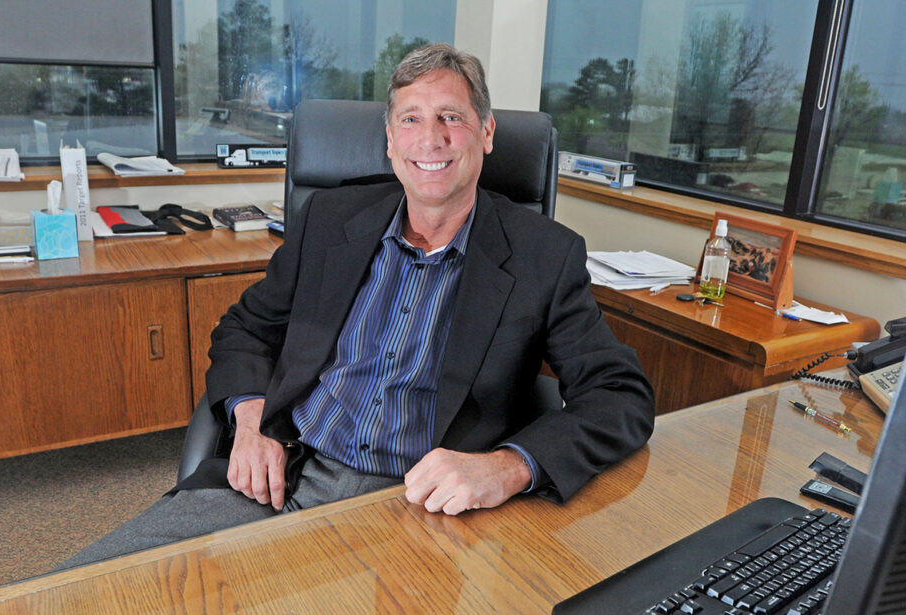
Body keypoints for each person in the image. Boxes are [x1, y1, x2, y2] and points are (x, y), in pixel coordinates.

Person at [57, 43, 654, 569]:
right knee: (77, 589)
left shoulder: (543, 255)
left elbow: (619, 396)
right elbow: (246, 328)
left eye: (452, 117)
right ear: (390, 139)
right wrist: (248, 419)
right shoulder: (330, 220)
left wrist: (508, 466)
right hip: (281, 478)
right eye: (411, 119)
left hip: (420, 512)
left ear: (487, 132)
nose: (432, 138)